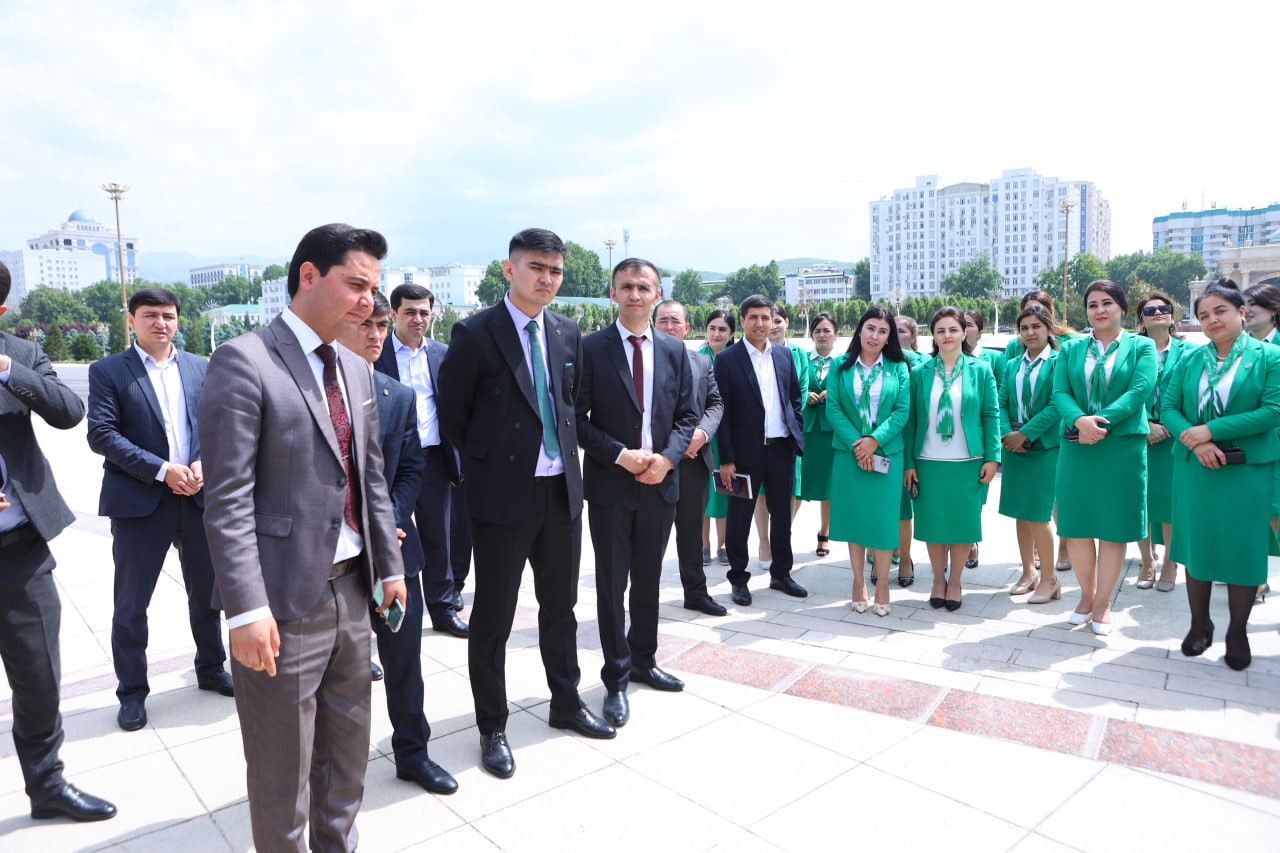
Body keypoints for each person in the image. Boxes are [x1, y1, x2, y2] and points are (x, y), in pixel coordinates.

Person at [198, 224, 408, 852]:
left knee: (346, 761)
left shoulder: (356, 368)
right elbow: (227, 498)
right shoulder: (244, 360)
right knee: (282, 774)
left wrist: (390, 565)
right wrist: (246, 609)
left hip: (353, 594)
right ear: (309, 276)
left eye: (373, 288)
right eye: (356, 284)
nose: (368, 301)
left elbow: (369, 478)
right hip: (282, 605)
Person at [437, 228, 615, 781]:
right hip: (501, 499)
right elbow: (454, 416)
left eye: (555, 270)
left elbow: (569, 405)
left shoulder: (566, 331)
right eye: (537, 267)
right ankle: (492, 725)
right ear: (509, 269)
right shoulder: (475, 333)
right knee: (494, 616)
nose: (547, 278)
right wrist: (492, 466)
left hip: (561, 492)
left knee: (561, 608)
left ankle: (566, 702)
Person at [0, 260, 117, 823]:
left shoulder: (19, 354)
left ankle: (47, 787)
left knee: (40, 680)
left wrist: (6, 369)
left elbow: (70, 413)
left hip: (20, 552)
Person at [86, 287, 232, 734]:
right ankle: (132, 692)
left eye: (168, 316)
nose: (160, 323)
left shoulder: (200, 367)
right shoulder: (109, 370)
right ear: (131, 320)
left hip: (198, 497)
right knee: (131, 604)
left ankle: (211, 667)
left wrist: (204, 462)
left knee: (207, 594)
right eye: (150, 315)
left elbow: (219, 423)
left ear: (177, 321)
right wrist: (162, 470)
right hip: (140, 502)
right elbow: (102, 434)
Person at [338, 292, 456, 795]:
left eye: (381, 325)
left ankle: (412, 753)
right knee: (339, 671)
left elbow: (410, 469)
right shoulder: (309, 392)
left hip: (394, 555)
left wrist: (386, 519)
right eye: (363, 323)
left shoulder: (396, 395)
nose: (374, 334)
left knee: (404, 660)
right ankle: (334, 767)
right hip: (333, 561)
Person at [578, 263, 697, 727]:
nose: (634, 294)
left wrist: (667, 459)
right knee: (612, 585)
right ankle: (616, 677)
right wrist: (619, 455)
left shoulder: (674, 349)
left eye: (643, 287)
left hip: (660, 483)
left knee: (649, 580)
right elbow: (577, 418)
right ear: (612, 293)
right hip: (611, 485)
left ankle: (645, 660)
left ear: (656, 293)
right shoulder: (591, 348)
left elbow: (687, 416)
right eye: (626, 286)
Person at [1164, 279, 1280, 671]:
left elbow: (1274, 410)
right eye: (1203, 315)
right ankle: (1200, 624)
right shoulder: (1190, 359)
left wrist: (1211, 430)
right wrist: (1196, 442)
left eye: (1220, 311)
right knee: (1197, 545)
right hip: (1196, 469)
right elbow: (1169, 407)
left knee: (1243, 549)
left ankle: (1237, 631)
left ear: (1241, 313)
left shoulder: (1269, 357)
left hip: (1246, 470)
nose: (1212, 320)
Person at [1052, 280, 1157, 636]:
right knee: (1077, 526)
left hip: (1121, 447)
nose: (1100, 310)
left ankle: (1102, 603)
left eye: (1107, 302)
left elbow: (1139, 391)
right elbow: (1060, 392)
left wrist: (1098, 422)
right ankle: (1086, 596)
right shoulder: (1070, 349)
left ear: (1122, 308)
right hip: (1077, 444)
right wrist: (1079, 421)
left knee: (1114, 528)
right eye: (1093, 304)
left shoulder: (1142, 346)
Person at [373, 284, 469, 639]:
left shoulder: (443, 354)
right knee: (388, 536)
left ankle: (443, 609)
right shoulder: (376, 352)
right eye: (410, 312)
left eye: (424, 312)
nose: (418, 319)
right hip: (389, 466)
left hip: (434, 460)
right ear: (394, 314)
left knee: (439, 539)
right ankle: (384, 613)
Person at [903, 307, 1000, 612]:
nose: (947, 336)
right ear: (932, 335)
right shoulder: (919, 373)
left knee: (962, 524)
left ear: (964, 332)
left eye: (953, 329)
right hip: (928, 461)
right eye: (941, 330)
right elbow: (911, 420)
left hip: (968, 461)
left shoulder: (981, 370)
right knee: (933, 523)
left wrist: (993, 457)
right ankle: (937, 579)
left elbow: (991, 414)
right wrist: (908, 462)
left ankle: (955, 581)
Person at [715, 294, 806, 606]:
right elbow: (721, 412)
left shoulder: (783, 355)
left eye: (765, 317)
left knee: (782, 516)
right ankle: (739, 579)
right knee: (739, 519)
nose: (760, 323)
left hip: (781, 450)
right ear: (742, 321)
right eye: (753, 317)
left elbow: (794, 398)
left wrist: (795, 430)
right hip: (743, 455)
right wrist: (726, 459)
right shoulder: (727, 360)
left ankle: (781, 573)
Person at [827, 306, 911, 616]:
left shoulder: (898, 368)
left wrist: (874, 441)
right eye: (870, 328)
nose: (875, 336)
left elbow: (902, 411)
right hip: (849, 455)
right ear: (860, 329)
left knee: (884, 520)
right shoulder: (840, 366)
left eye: (883, 331)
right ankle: (858, 581)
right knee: (855, 518)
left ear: (889, 337)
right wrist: (859, 446)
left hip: (886, 454)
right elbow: (833, 409)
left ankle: (883, 585)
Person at [654, 299, 726, 617]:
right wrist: (674, 445)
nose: (670, 326)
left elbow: (715, 403)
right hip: (656, 463)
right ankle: (643, 598)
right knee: (651, 536)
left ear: (686, 327)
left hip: (695, 461)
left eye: (676, 321)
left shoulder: (701, 361)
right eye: (663, 321)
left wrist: (702, 433)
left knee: (692, 532)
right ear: (653, 325)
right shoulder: (643, 361)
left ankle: (695, 593)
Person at [997, 305, 1062, 603]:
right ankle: (1028, 573)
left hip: (1043, 448)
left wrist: (1026, 433)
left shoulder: (1059, 362)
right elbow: (1001, 402)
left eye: (1036, 326)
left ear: (1049, 329)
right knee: (1021, 513)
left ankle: (1050, 578)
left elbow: (1056, 405)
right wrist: (1007, 434)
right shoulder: (1012, 364)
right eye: (1024, 328)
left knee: (1038, 514)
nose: (1030, 333)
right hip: (1014, 447)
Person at [1133, 292, 1189, 592]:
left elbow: (1193, 393)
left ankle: (1170, 562)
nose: (1157, 313)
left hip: (1172, 438)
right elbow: (1122, 391)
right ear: (1141, 320)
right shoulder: (1131, 350)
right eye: (1150, 310)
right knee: (1139, 502)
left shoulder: (1189, 352)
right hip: (1138, 436)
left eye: (1163, 308)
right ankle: (1147, 561)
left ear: (1172, 315)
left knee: (1169, 504)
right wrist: (1144, 425)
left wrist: (1168, 425)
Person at [753, 303, 808, 566]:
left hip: (787, 436)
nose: (773, 325)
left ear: (786, 323)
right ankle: (764, 543)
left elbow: (800, 392)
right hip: (758, 438)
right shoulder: (749, 352)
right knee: (761, 492)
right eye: (769, 320)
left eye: (777, 320)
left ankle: (781, 540)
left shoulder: (797, 354)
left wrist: (791, 423)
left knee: (790, 491)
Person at [1245, 281, 1280, 604]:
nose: (1247, 309)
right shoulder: (1235, 349)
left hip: (1275, 444)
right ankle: (1254, 579)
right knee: (1253, 513)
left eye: (1253, 303)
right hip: (1247, 449)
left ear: (1273, 309)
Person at [800, 312, 839, 558]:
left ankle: (824, 533)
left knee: (828, 485)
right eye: (817, 331)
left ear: (836, 334)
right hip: (805, 429)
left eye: (827, 330)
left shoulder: (844, 362)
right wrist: (804, 395)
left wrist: (833, 395)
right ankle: (783, 533)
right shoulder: (801, 359)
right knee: (798, 483)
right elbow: (790, 388)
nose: (822, 335)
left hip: (831, 432)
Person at [700, 310, 735, 567]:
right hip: (701, 433)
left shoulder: (736, 359)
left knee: (724, 489)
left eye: (722, 329)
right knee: (701, 490)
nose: (716, 334)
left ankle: (724, 544)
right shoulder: (695, 358)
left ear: (731, 334)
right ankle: (703, 544)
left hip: (728, 434)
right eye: (712, 328)